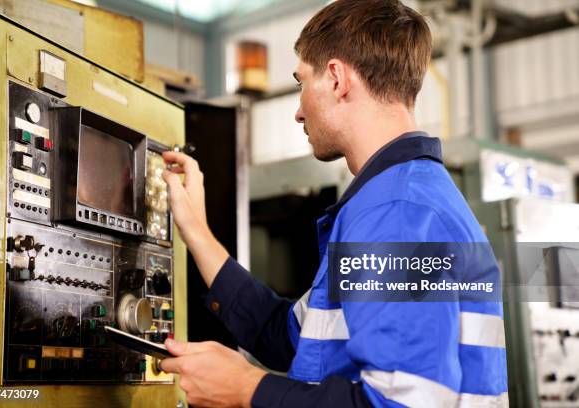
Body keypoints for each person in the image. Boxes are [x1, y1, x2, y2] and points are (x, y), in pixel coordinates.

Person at [159, 0, 508, 407]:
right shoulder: (400, 199)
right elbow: (285, 336)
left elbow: (400, 404)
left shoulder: (397, 211)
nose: (298, 111)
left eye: (300, 83)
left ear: (337, 78)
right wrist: (197, 232)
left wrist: (246, 388)